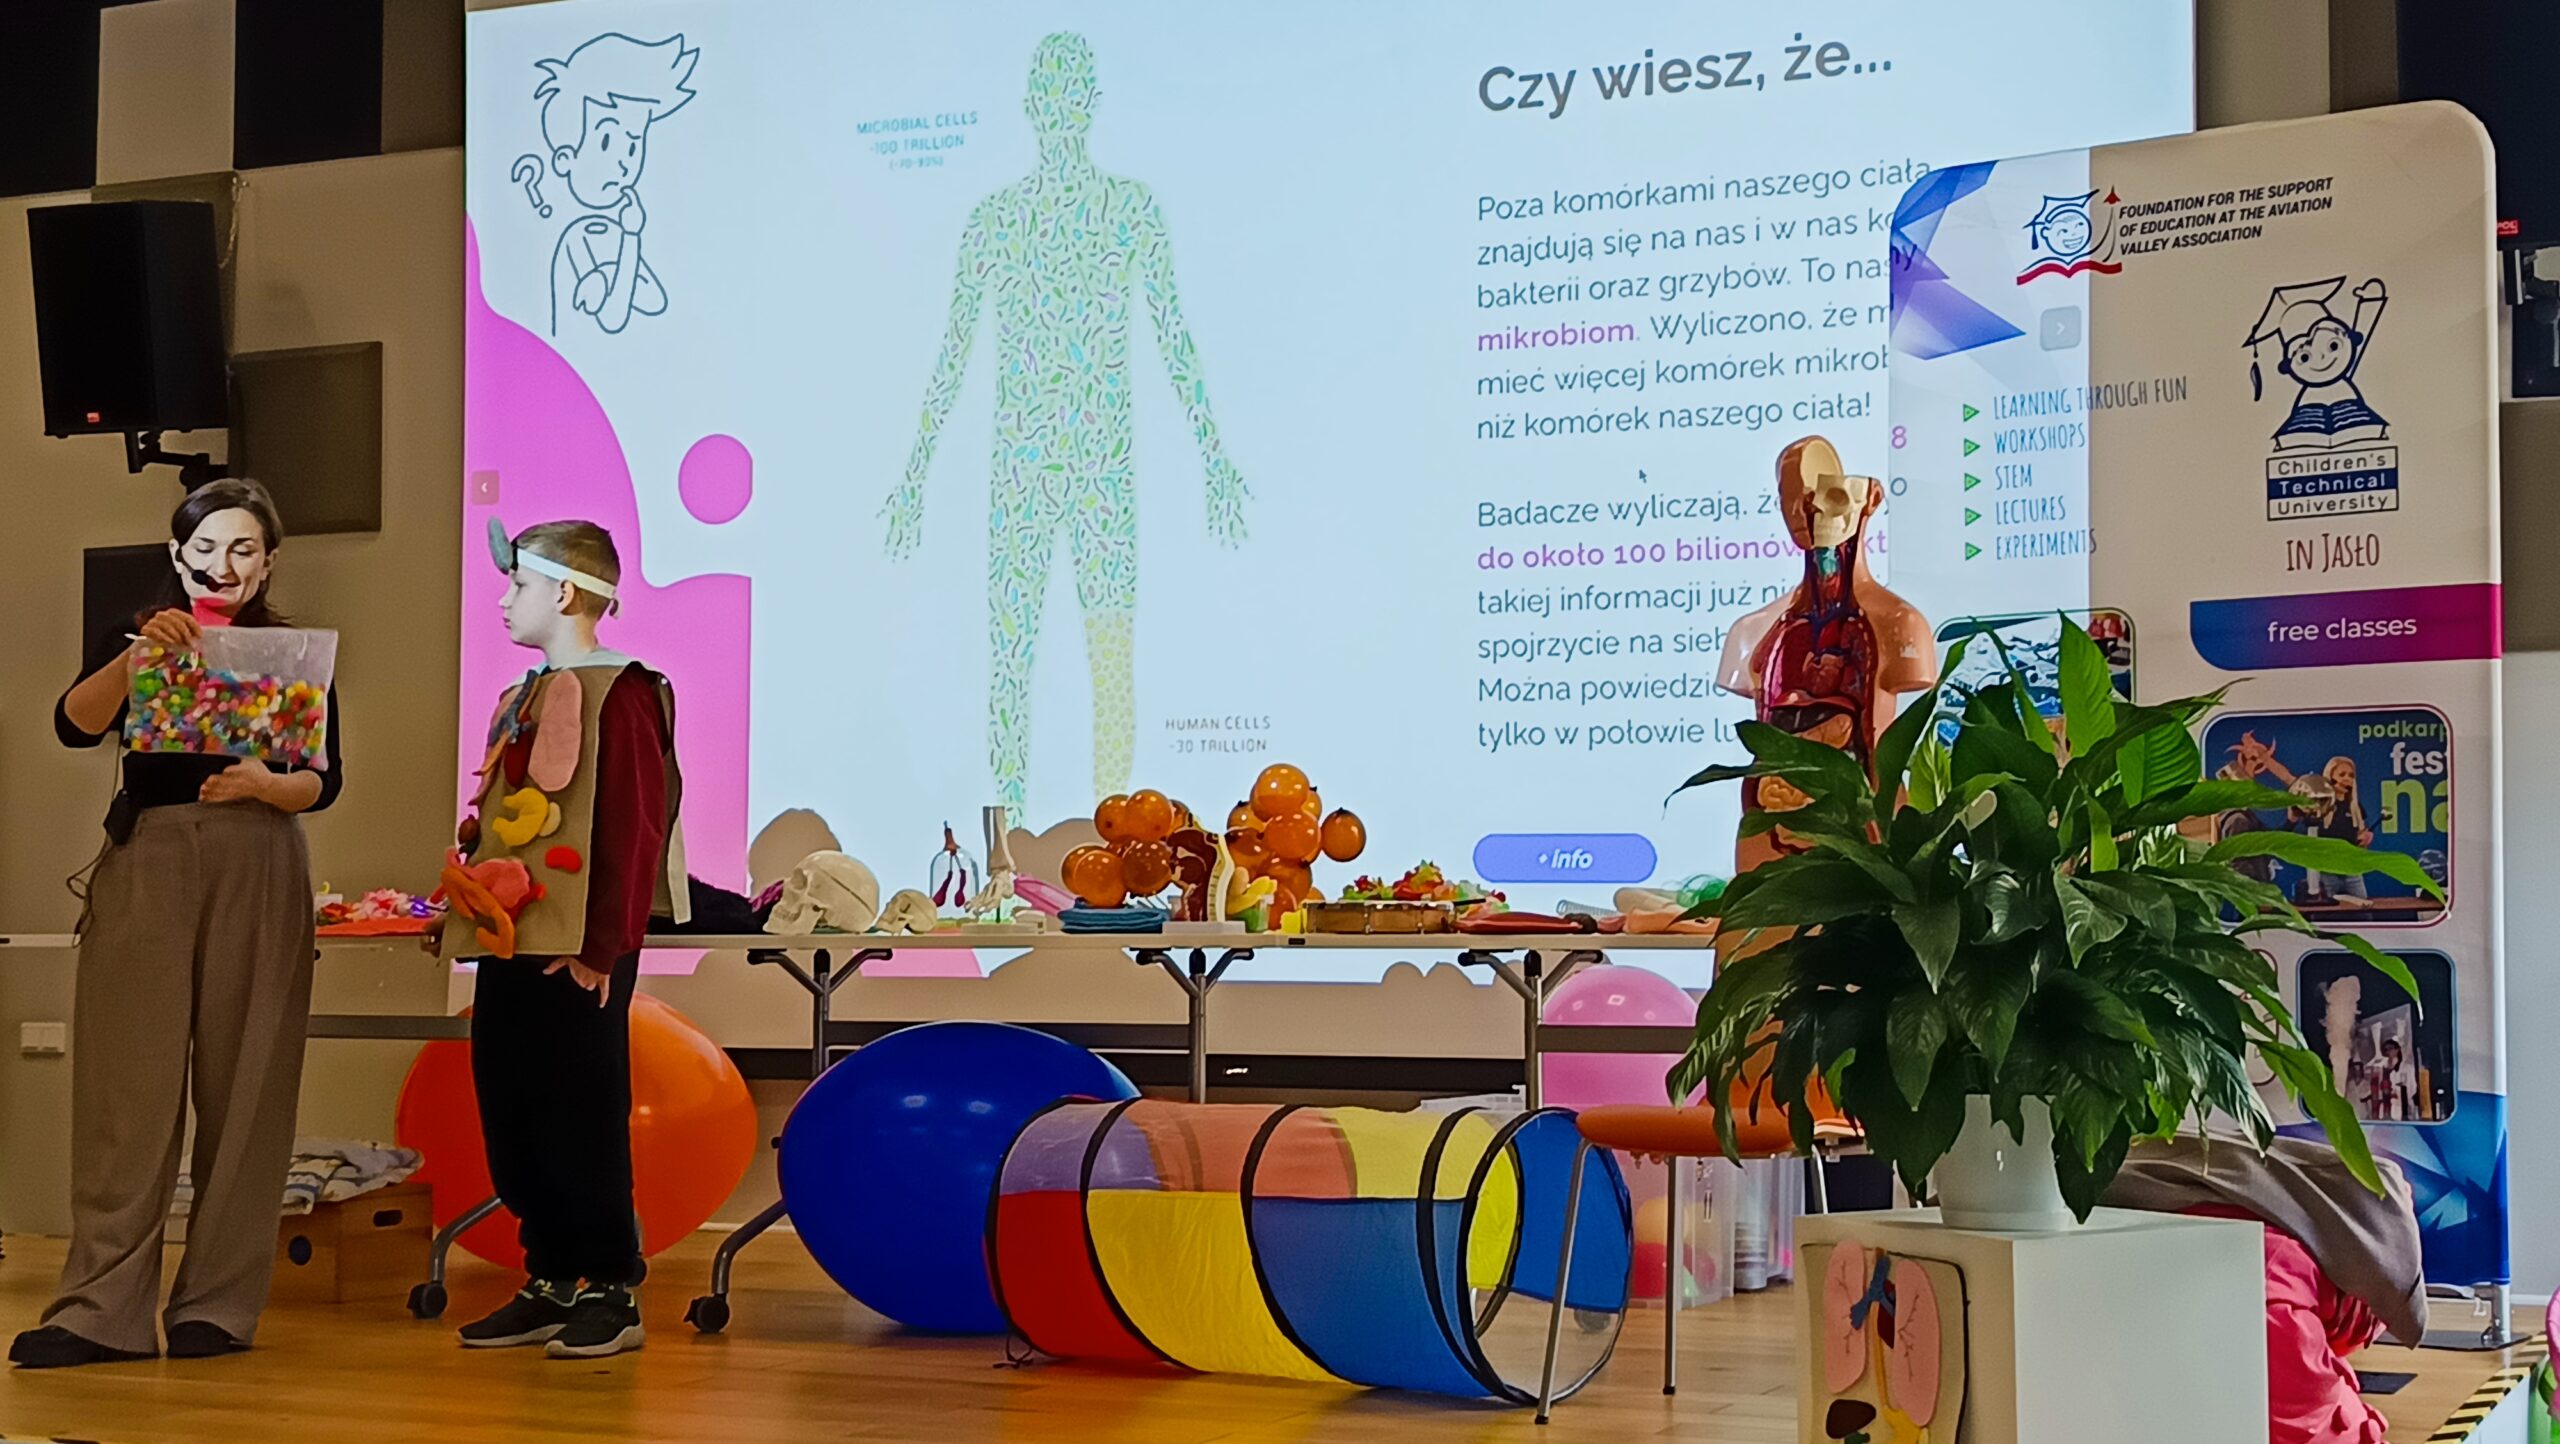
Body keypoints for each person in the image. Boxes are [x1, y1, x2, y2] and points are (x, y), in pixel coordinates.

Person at [11, 479, 345, 1369]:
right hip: (149, 856)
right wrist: (131, 664)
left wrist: (269, 786)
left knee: (249, 1083)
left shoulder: (290, 653)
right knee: (126, 1086)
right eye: (205, 547)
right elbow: (72, 726)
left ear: (268, 561)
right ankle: (99, 1310)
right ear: (177, 553)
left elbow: (324, 779)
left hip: (260, 856)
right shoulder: (138, 638)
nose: (223, 564)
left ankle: (218, 1305)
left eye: (243, 548)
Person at [445, 519, 683, 1361]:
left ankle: (610, 1285)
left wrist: (603, 947)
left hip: (582, 948)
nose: (505, 601)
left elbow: (635, 823)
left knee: (581, 1110)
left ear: (568, 593)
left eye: (519, 585)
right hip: (515, 938)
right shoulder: (526, 694)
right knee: (513, 1105)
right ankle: (549, 1274)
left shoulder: (622, 693)